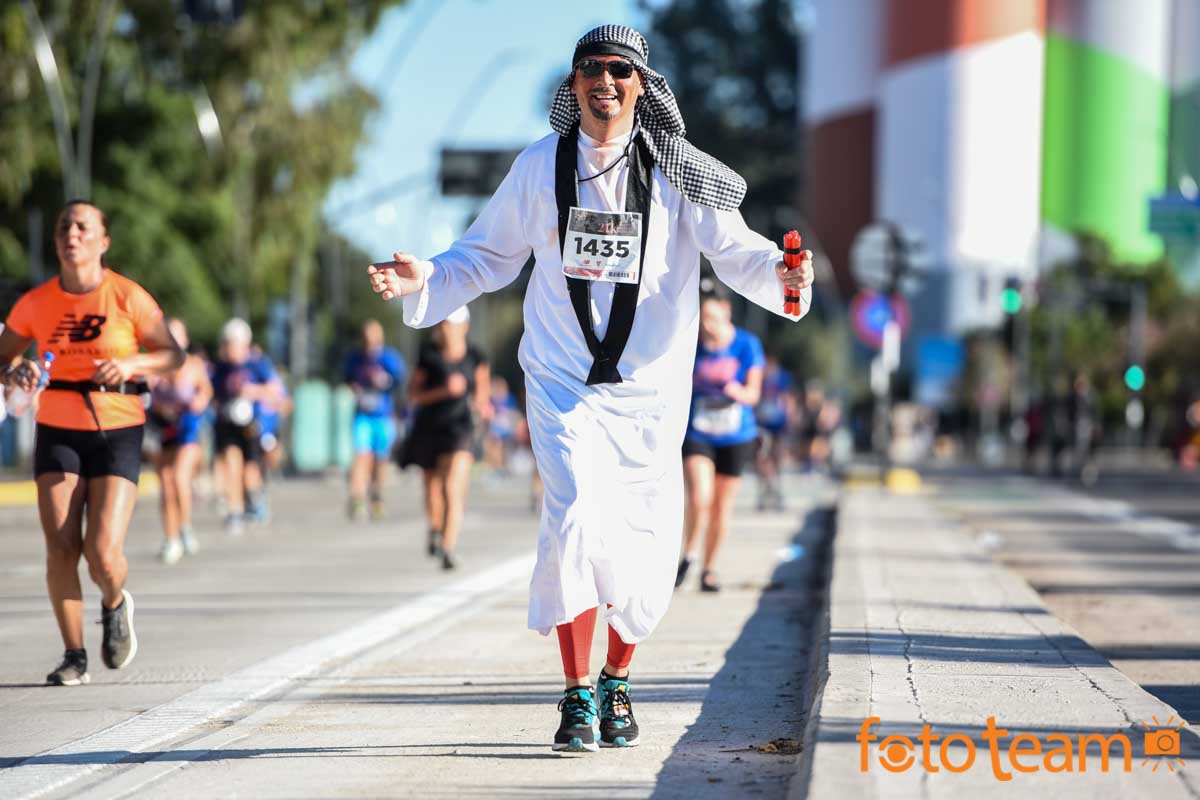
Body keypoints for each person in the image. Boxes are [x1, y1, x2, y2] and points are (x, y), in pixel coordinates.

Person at [367, 25, 814, 752]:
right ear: (572, 86)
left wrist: (785, 277)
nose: (604, 81)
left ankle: (618, 679)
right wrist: (429, 279)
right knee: (574, 519)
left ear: (643, 85)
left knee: (640, 546)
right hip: (560, 382)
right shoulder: (541, 167)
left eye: (619, 70)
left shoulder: (678, 173)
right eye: (589, 70)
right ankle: (577, 693)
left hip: (649, 393)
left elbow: (738, 253)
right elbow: (484, 256)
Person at [0, 200, 185, 685]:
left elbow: (172, 354)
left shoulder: (126, 297)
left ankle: (115, 601)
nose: (72, 233)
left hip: (116, 428)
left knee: (102, 553)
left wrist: (131, 365)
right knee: (61, 547)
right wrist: (13, 367)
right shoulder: (36, 303)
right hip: (58, 428)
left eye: (83, 226)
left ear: (103, 242)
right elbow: (2, 356)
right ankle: (73, 655)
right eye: (64, 226)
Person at [676, 284, 764, 592]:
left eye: (713, 317)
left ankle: (709, 569)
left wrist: (735, 391)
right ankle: (688, 554)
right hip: (699, 430)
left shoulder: (746, 345)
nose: (707, 325)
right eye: (703, 319)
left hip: (736, 433)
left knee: (721, 506)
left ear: (726, 312)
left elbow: (754, 393)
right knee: (700, 496)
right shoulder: (692, 344)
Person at [398, 306, 490, 570]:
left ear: (464, 327)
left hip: (461, 428)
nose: (446, 329)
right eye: (443, 324)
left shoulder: (475, 356)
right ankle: (435, 530)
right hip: (430, 427)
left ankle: (448, 547)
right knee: (432, 489)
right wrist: (443, 391)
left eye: (452, 324)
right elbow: (413, 396)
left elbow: (482, 391)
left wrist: (483, 406)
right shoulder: (428, 355)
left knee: (452, 486)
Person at [148, 318, 213, 564]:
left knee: (179, 477)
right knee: (165, 482)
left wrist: (199, 401)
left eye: (178, 335)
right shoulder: (155, 364)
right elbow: (145, 392)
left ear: (185, 339)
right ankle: (170, 537)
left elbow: (206, 391)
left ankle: (185, 527)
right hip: (162, 428)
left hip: (188, 428)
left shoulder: (194, 365)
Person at [210, 318, 283, 534]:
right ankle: (235, 511)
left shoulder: (257, 364)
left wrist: (253, 392)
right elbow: (212, 392)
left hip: (252, 423)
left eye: (233, 343)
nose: (229, 348)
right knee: (232, 463)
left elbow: (274, 391)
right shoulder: (221, 368)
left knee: (249, 469)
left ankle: (255, 497)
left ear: (244, 343)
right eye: (226, 343)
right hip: (228, 422)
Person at [344, 318, 406, 521]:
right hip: (363, 415)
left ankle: (377, 495)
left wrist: (386, 383)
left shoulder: (389, 358)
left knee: (380, 459)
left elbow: (400, 380)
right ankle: (357, 498)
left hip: (382, 415)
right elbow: (347, 377)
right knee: (361, 456)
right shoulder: (355, 358)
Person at [754, 352, 796, 511]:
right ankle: (766, 488)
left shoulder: (783, 378)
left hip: (779, 425)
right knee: (761, 458)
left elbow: (788, 399)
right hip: (762, 425)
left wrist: (790, 419)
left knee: (777, 458)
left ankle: (776, 489)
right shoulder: (758, 376)